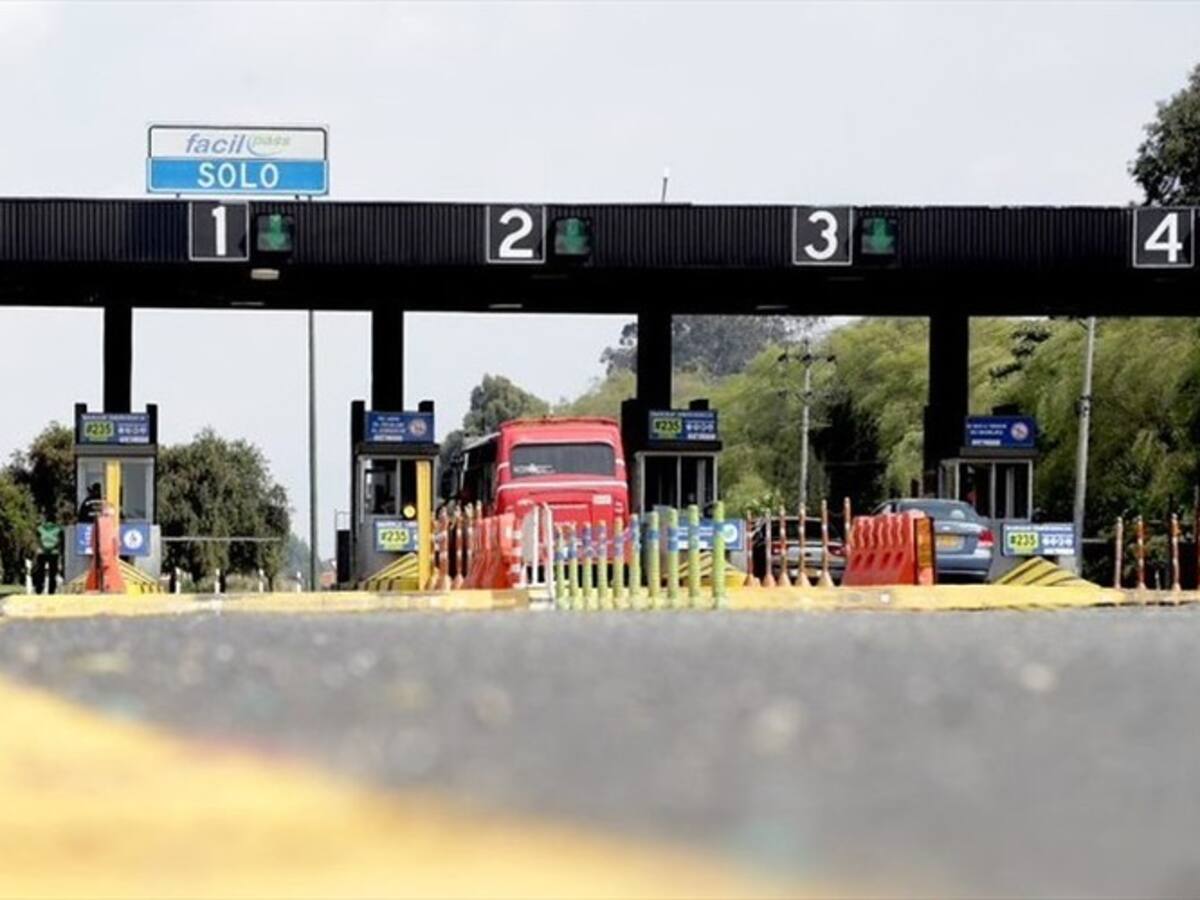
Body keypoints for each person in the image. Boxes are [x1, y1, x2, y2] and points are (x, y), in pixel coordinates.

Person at [34, 519, 63, 595]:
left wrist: (43, 547)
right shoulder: (58, 529)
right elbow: (59, 541)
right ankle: (51, 590)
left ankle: (39, 589)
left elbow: (38, 539)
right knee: (52, 573)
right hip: (54, 552)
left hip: (42, 552)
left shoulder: (40, 528)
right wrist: (53, 547)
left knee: (40, 571)